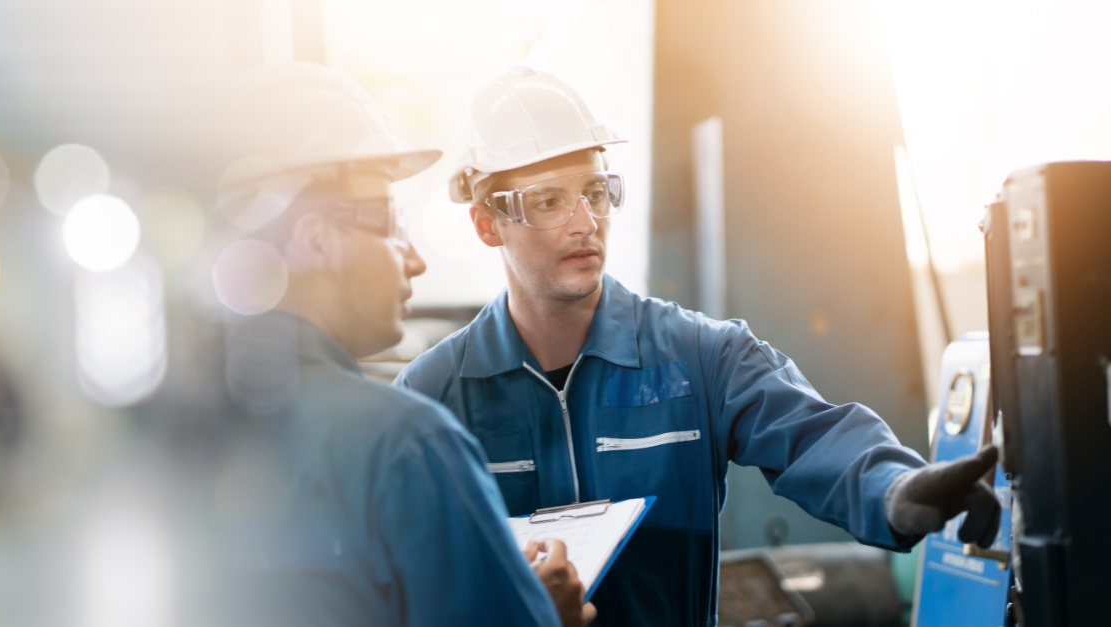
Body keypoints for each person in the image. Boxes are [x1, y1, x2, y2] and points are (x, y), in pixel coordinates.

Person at [395, 67, 1001, 626]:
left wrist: (893, 489)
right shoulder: (432, 399)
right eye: (549, 201)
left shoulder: (700, 358)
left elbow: (814, 434)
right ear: (486, 223)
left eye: (596, 191)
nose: (585, 222)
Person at [205, 62, 596, 627]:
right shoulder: (407, 444)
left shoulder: (171, 434)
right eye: (390, 223)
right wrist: (542, 616)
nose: (414, 258)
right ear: (316, 240)